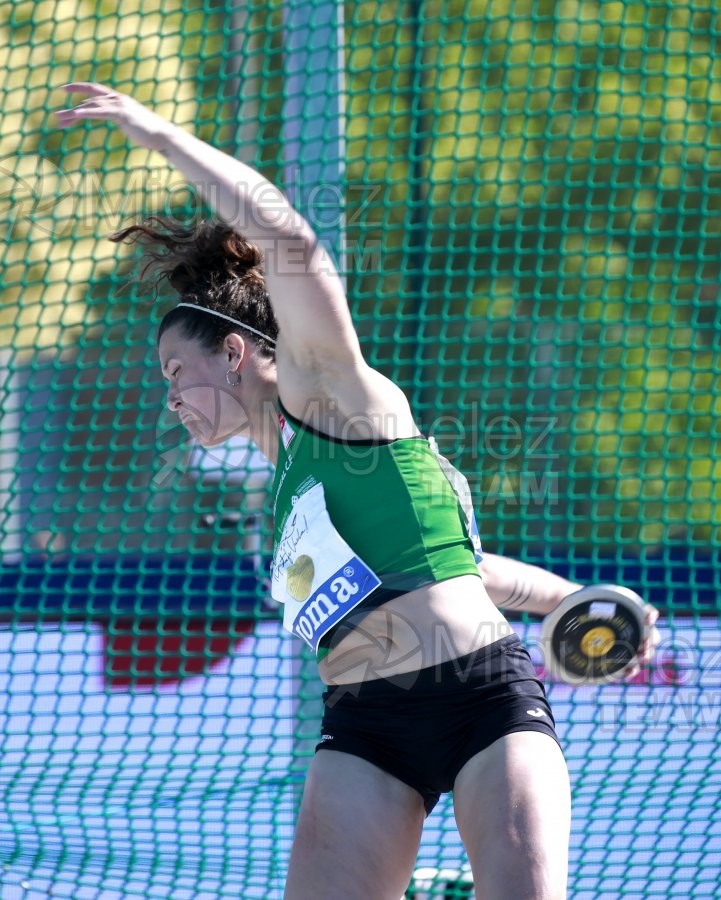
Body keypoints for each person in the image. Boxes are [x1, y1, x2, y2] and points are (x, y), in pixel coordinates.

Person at [56, 84, 658, 900]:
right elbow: (464, 565)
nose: (169, 398)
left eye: (174, 371)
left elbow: (287, 238)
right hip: (365, 728)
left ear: (233, 353)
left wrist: (159, 135)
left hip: (480, 698)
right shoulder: (283, 487)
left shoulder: (332, 396)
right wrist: (568, 601)